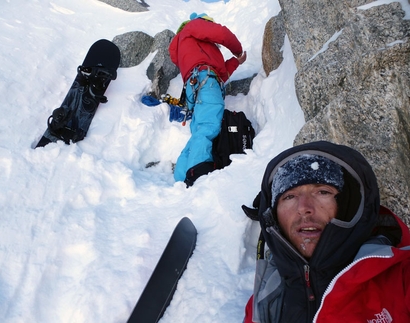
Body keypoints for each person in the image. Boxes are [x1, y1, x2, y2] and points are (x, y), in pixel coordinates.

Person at [243, 140, 410, 323]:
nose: (304, 208)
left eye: (323, 192)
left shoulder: (400, 279)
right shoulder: (264, 299)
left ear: (348, 206)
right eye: (289, 196)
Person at [168, 12, 247, 186]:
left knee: (200, 131)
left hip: (197, 86)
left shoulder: (190, 48)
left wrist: (236, 61)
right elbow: (221, 33)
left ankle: (181, 177)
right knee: (208, 128)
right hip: (206, 83)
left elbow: (220, 74)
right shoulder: (194, 26)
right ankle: (198, 175)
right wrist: (238, 50)